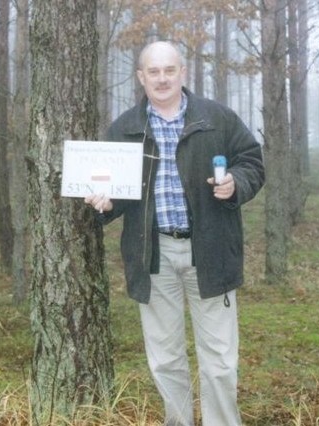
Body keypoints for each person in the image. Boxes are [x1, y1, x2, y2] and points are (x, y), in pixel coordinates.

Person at [84, 40, 264, 426]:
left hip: (210, 252)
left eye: (169, 70)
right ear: (141, 77)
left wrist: (236, 182)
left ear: (183, 72)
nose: (162, 78)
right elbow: (118, 192)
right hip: (153, 256)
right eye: (153, 71)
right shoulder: (126, 129)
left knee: (218, 359)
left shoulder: (218, 119)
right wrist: (106, 203)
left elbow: (252, 160)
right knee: (165, 357)